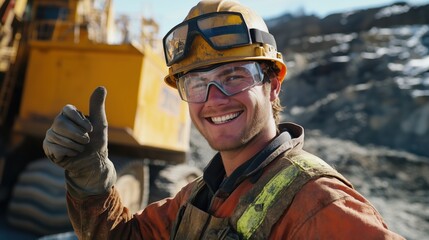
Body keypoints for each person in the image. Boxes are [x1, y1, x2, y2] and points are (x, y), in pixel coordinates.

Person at [43, 0, 404, 239]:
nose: (214, 99)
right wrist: (89, 180)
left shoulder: (319, 204)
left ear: (273, 85)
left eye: (234, 77)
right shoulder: (199, 197)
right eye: (197, 83)